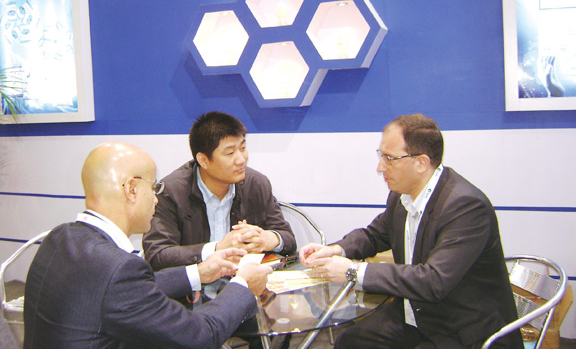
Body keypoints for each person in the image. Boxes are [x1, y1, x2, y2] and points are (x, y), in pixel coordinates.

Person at [299, 114, 523, 349]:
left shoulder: (465, 207)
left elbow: (433, 281)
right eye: (380, 155)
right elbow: (375, 235)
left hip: (462, 328)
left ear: (421, 163)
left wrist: (352, 271)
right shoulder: (401, 195)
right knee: (350, 342)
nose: (380, 167)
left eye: (389, 158)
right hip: (416, 313)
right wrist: (336, 249)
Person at [24, 142, 272, 349]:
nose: (156, 199)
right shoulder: (118, 269)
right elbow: (199, 336)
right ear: (132, 189)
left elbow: (125, 290)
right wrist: (243, 285)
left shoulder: (60, 238)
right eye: (154, 188)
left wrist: (200, 272)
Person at [143, 111, 296, 271]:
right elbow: (157, 254)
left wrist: (267, 239)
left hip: (244, 282)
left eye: (243, 148)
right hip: (194, 285)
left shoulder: (256, 184)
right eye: (230, 153)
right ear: (203, 160)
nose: (241, 159)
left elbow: (288, 238)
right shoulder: (171, 192)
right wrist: (217, 248)